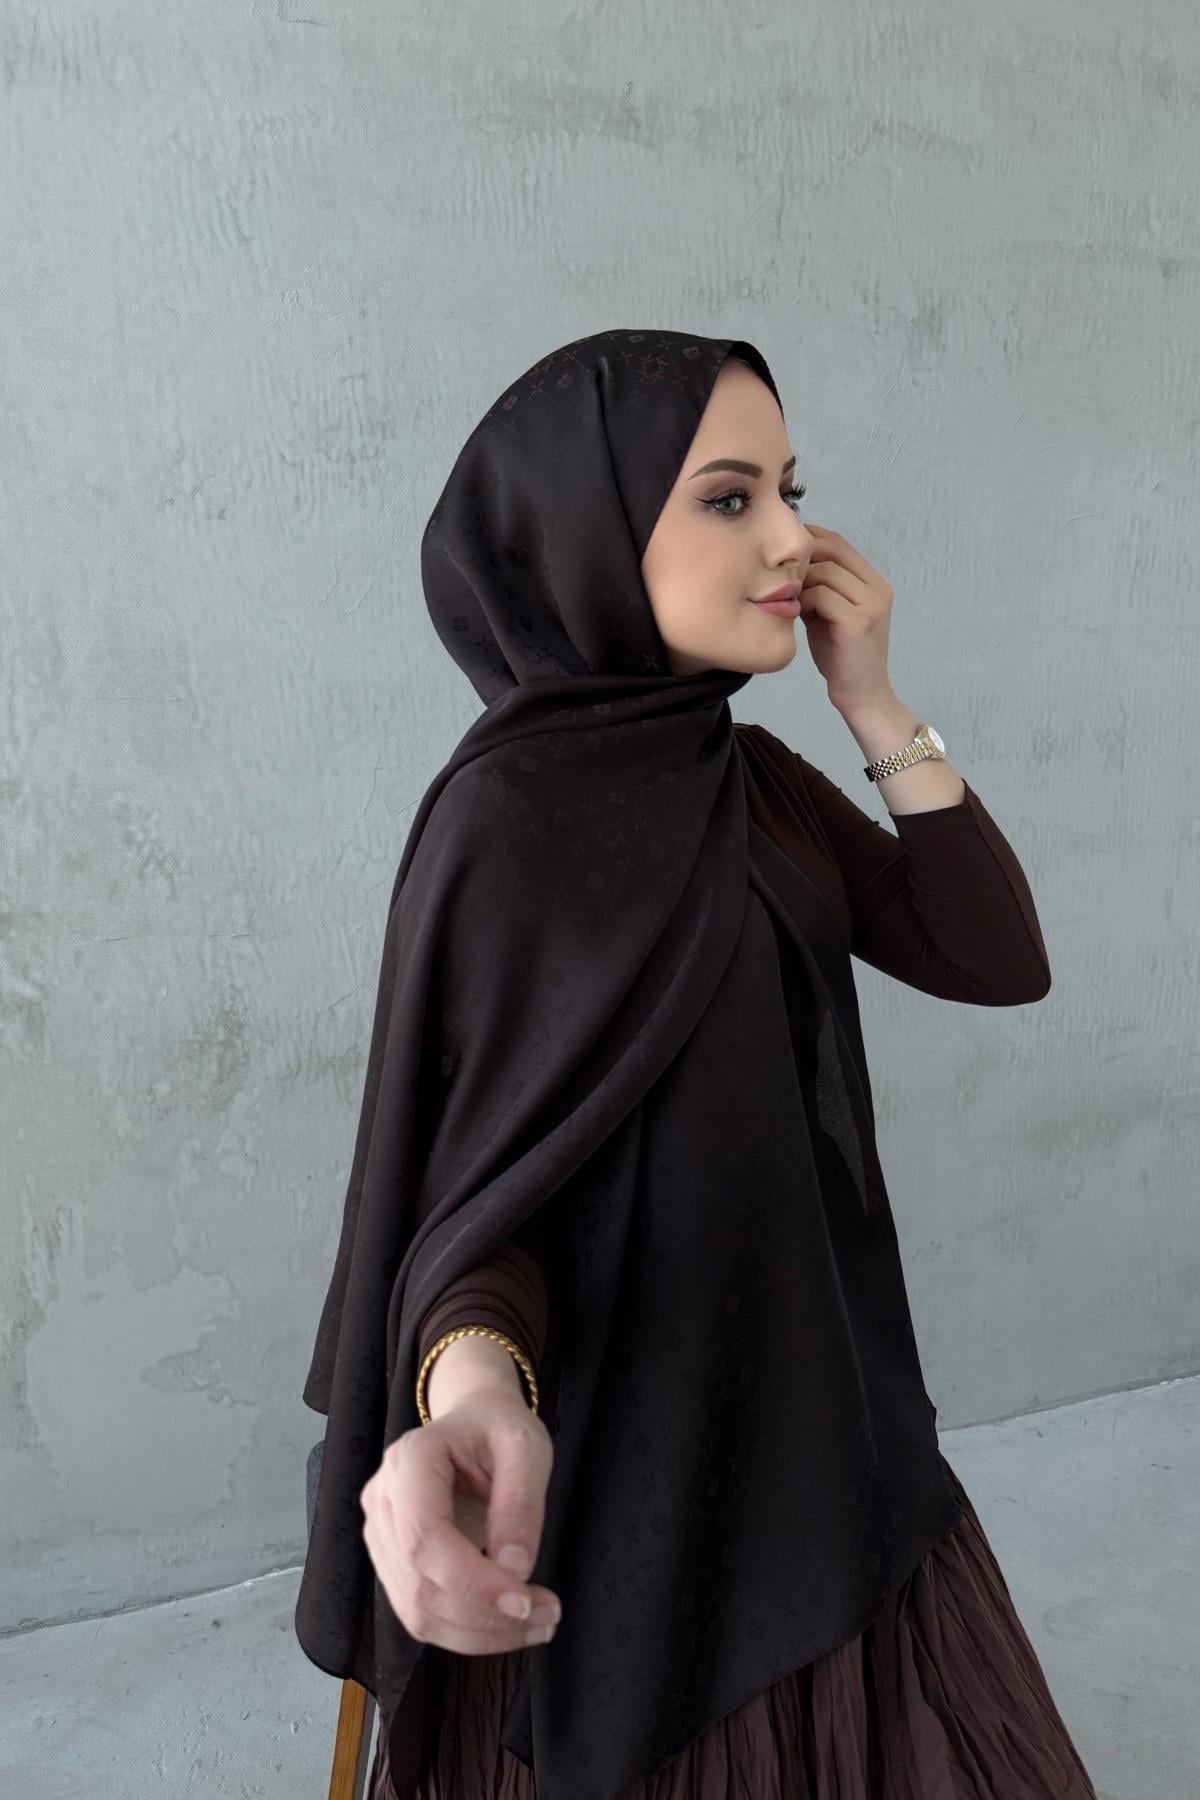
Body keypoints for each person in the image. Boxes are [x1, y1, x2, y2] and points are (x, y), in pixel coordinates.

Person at [296, 330, 1099, 1800]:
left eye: (791, 489)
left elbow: (991, 956)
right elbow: (484, 1203)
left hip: (824, 1411)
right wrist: (472, 1392)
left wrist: (875, 704)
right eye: (730, 498)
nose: (794, 538)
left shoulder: (743, 773)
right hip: (630, 1478)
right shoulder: (509, 826)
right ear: (586, 531)